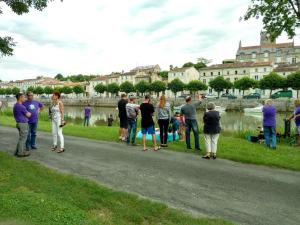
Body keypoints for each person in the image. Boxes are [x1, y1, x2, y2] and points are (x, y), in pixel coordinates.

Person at [13, 93, 31, 157]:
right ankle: (20, 153)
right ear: (20, 98)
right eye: (24, 97)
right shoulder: (21, 106)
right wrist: (30, 113)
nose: (25, 99)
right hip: (23, 124)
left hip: (19, 123)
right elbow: (28, 115)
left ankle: (17, 151)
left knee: (21, 138)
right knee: (23, 139)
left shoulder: (15, 105)